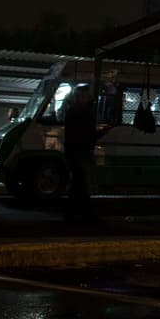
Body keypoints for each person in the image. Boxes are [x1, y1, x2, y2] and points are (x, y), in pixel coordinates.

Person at [63, 84, 99, 224]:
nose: (90, 98)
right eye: (87, 95)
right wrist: (99, 133)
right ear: (81, 97)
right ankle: (82, 216)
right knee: (80, 185)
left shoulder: (74, 111)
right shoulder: (78, 113)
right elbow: (84, 134)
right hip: (79, 153)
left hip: (76, 152)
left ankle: (76, 215)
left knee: (78, 185)